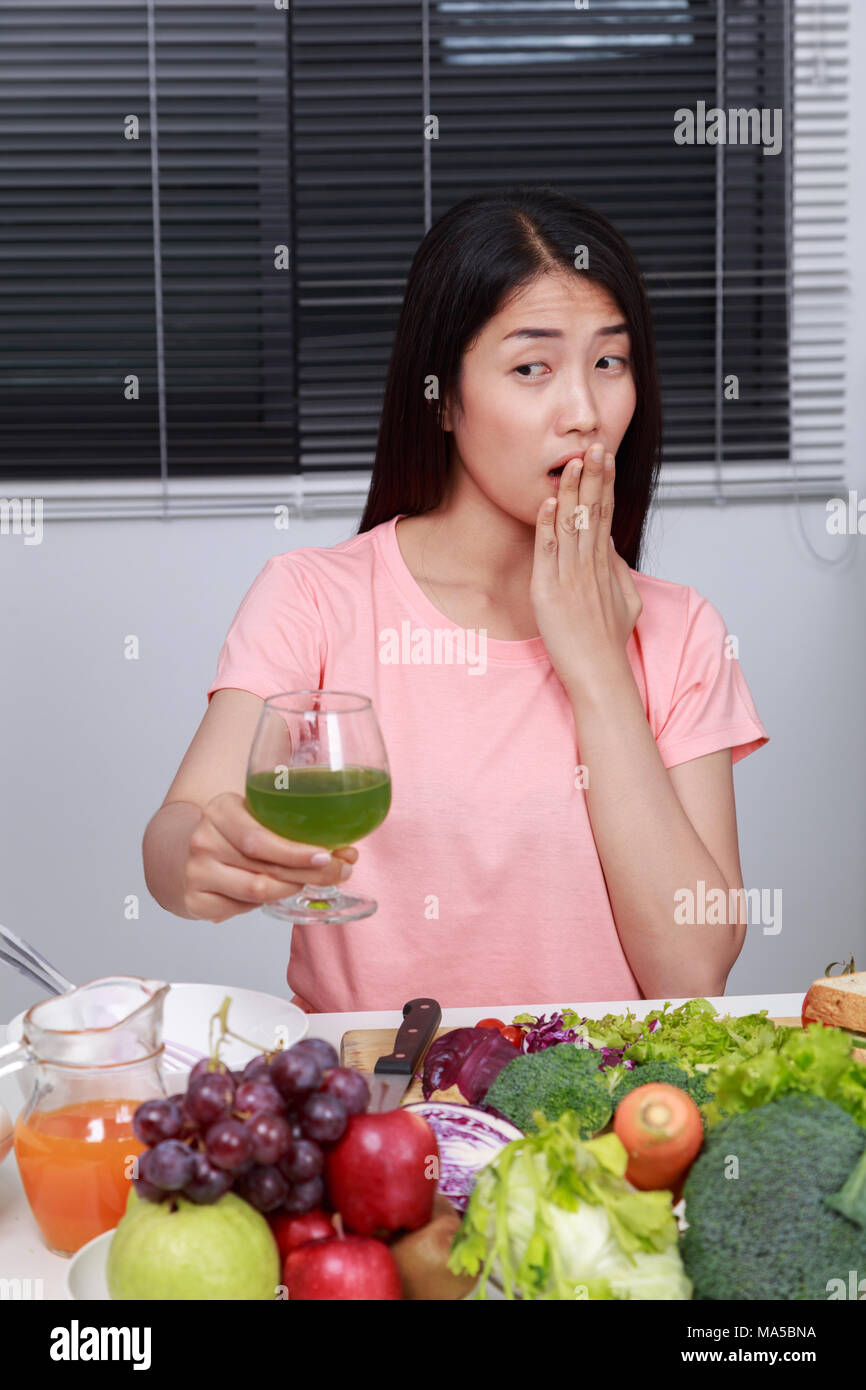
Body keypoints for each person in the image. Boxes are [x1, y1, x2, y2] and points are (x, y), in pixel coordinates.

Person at [142, 184, 769, 1014]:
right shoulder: (316, 597)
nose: (584, 412)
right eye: (531, 367)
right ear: (443, 397)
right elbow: (173, 841)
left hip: (602, 1126)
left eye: (608, 362)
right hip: (377, 1112)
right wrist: (203, 858)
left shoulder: (682, 630)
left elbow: (691, 976)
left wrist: (597, 668)